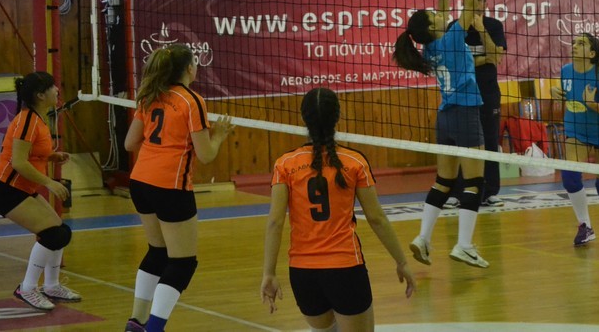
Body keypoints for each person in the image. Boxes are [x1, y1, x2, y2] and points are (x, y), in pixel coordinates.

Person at [261, 88, 415, 332]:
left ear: (303, 119)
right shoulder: (354, 162)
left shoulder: (285, 164)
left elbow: (275, 222)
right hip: (345, 269)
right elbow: (376, 218)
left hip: (303, 273)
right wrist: (402, 261)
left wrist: (268, 273)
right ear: (338, 117)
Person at [123, 44, 236, 332]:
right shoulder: (192, 101)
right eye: (195, 63)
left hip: (140, 181)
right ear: (188, 68)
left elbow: (129, 143)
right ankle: (154, 328)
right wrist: (218, 136)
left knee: (157, 252)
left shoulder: (150, 95)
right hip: (170, 186)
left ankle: (136, 321)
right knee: (183, 263)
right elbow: (206, 155)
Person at [393, 0, 497, 269]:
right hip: (465, 113)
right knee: (474, 182)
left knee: (443, 181)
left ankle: (423, 238)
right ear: (432, 27)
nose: (441, 14)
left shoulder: (429, 48)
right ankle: (464, 245)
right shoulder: (451, 39)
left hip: (445, 119)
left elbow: (443, 10)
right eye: (435, 15)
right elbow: (470, 1)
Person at [0, 71, 80, 311]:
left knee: (61, 232)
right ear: (40, 95)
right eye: (52, 87)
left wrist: (51, 156)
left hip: (20, 188)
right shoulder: (27, 120)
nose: (57, 90)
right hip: (5, 190)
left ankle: (51, 285)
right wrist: (49, 182)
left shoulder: (38, 119)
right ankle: (27, 288)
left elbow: (30, 154)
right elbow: (18, 162)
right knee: (53, 235)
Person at [549, 32, 599, 246]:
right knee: (570, 177)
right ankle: (585, 226)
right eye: (574, 42)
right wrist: (555, 91)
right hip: (576, 131)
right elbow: (568, 94)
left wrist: (593, 104)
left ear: (592, 53)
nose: (574, 45)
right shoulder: (566, 71)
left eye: (581, 43)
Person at [447, 0, 508, 208]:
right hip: (461, 93)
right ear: (464, 3)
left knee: (490, 141)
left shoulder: (494, 26)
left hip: (488, 93)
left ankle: (490, 192)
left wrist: (482, 31)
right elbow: (455, 63)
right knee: (461, 143)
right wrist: (484, 59)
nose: (477, 3)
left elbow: (496, 57)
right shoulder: (454, 28)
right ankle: (457, 192)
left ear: (486, 4)